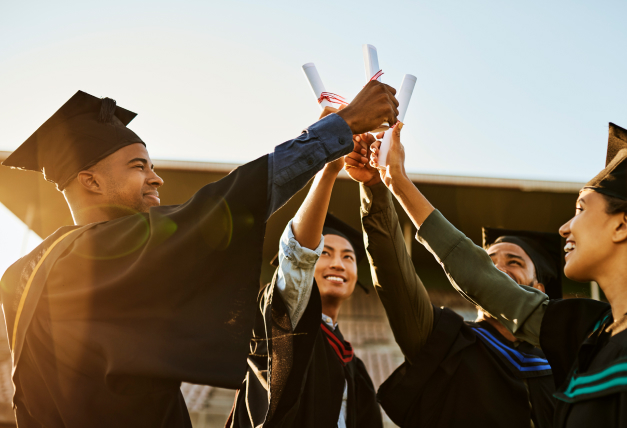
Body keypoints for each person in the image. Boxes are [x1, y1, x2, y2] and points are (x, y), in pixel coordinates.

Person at [0, 84, 398, 427]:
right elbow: (229, 200)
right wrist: (338, 128)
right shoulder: (107, 249)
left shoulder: (20, 275)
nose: (156, 178)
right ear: (90, 180)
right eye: (139, 166)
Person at [369, 122, 627, 426]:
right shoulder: (588, 331)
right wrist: (394, 181)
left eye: (580, 210)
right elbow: (478, 275)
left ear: (622, 225)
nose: (564, 228)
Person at [345, 141, 559, 427]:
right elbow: (393, 274)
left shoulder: (563, 362)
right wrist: (375, 189)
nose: (497, 270)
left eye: (515, 262)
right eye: (488, 261)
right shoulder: (446, 340)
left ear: (539, 289)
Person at [228, 136, 383, 428]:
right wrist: (328, 171)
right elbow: (297, 260)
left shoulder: (354, 365)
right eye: (325, 253)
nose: (339, 263)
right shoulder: (287, 327)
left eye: (349, 257)